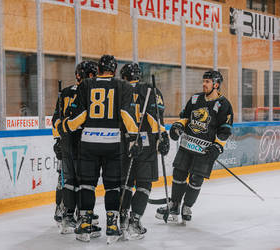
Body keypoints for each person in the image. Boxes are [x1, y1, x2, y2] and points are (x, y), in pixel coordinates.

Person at [57, 55, 139, 244]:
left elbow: (81, 116)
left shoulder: (86, 85)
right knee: (112, 185)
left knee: (87, 184)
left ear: (99, 69)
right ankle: (112, 225)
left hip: (88, 143)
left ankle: (85, 223)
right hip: (113, 144)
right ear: (115, 69)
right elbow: (126, 115)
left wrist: (66, 127)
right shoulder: (122, 86)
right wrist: (134, 138)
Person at [155, 70, 233, 223]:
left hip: (204, 151)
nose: (204, 84)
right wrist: (178, 127)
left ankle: (187, 206)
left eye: (208, 82)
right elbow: (185, 117)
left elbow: (225, 130)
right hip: (187, 146)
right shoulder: (195, 98)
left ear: (216, 85)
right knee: (178, 175)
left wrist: (217, 146)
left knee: (196, 179)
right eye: (204, 81)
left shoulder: (224, 105)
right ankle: (175, 205)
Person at [119, 63, 170, 240]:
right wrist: (163, 137)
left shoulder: (119, 89)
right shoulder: (150, 90)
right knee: (143, 184)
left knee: (125, 183)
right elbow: (155, 117)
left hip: (124, 142)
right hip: (146, 143)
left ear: (123, 76)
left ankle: (122, 219)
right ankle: (134, 222)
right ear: (139, 75)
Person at [52, 61, 99, 234]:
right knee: (82, 181)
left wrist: (58, 139)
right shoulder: (90, 92)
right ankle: (81, 216)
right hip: (81, 141)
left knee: (68, 180)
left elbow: (56, 118)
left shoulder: (65, 92)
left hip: (66, 141)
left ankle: (67, 215)